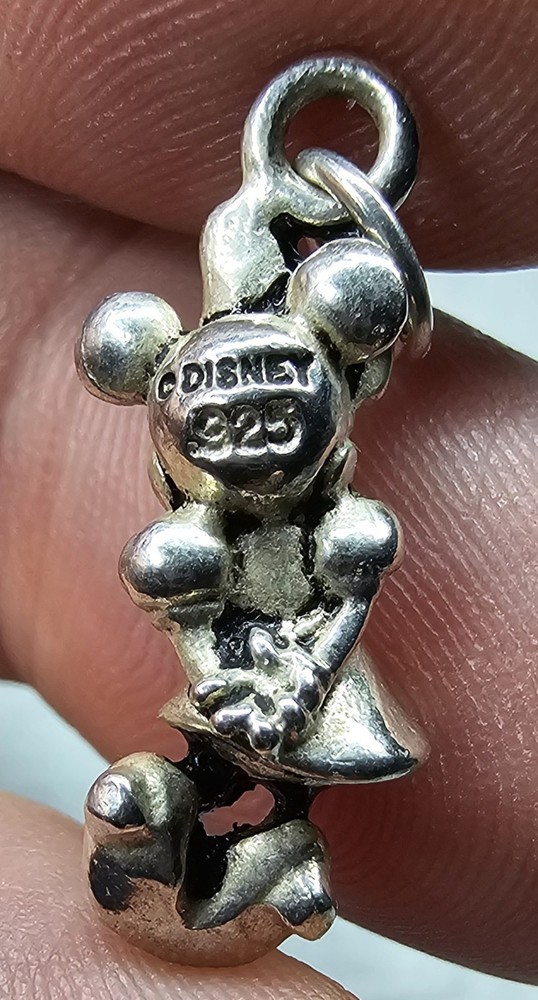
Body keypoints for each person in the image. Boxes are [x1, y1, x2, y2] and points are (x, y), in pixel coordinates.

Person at [0, 0, 536, 996]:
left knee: (274, 783)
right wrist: (226, 683)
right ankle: (234, 860)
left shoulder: (341, 522)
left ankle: (272, 867)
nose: (244, 434)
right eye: (214, 410)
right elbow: (189, 616)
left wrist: (300, 680)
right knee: (213, 769)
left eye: (273, 406)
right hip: (243, 680)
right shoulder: (191, 538)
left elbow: (347, 599)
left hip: (301, 677)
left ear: (347, 378)